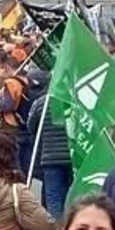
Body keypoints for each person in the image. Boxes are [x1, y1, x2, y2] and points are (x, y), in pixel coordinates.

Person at [24, 87, 72, 219]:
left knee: (54, 199)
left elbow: (31, 127)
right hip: (72, 157)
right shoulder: (75, 102)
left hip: (50, 158)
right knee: (74, 196)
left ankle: (56, 228)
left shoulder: (41, 103)